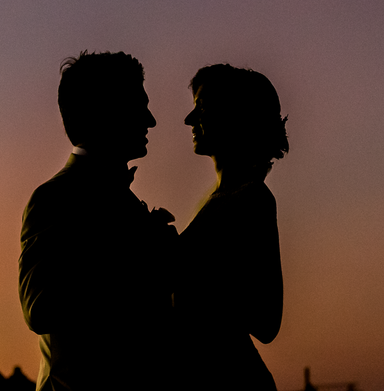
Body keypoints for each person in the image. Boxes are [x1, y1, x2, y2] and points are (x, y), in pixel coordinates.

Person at [19, 51, 177, 391]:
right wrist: (142, 254)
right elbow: (39, 307)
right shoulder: (55, 197)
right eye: (139, 105)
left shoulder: (124, 199)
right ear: (106, 111)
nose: (150, 120)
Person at [175, 63, 289, 391]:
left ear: (236, 116)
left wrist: (181, 262)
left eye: (203, 108)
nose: (190, 119)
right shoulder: (217, 199)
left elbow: (267, 321)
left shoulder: (253, 199)